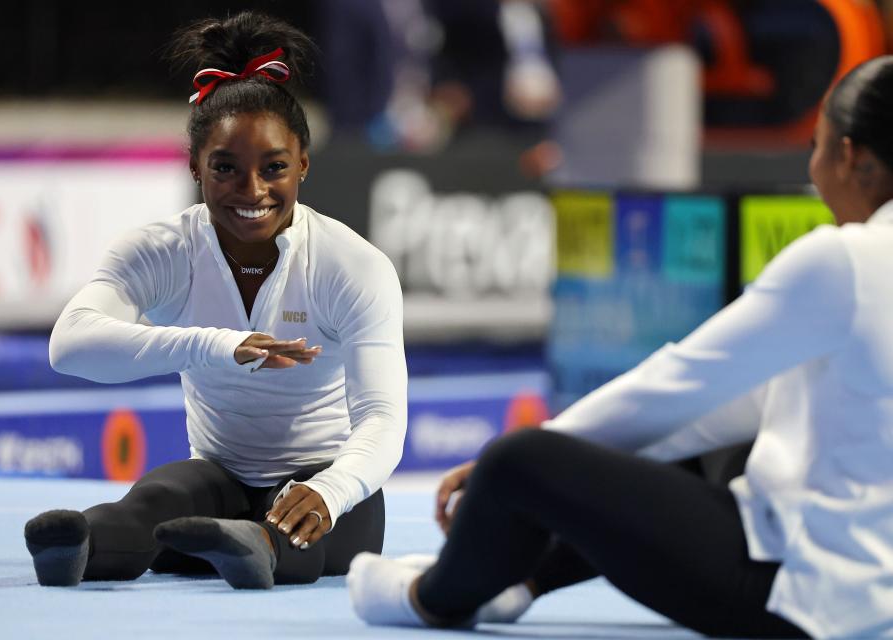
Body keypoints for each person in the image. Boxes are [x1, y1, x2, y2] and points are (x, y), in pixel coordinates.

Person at [348, 55, 893, 638]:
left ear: (852, 156)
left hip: (802, 594)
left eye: (818, 146)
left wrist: (501, 465)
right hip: (873, 592)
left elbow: (684, 381)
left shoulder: (843, 259)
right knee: (668, 442)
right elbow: (732, 407)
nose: (813, 168)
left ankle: (429, 597)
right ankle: (520, 582)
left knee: (520, 461)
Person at [23, 11, 407, 590]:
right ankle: (80, 540)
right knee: (155, 499)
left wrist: (331, 490)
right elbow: (69, 346)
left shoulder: (353, 265)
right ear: (195, 167)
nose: (251, 191)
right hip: (218, 477)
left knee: (306, 530)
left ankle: (257, 546)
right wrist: (219, 346)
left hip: (321, 479)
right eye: (225, 168)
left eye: (274, 168)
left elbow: (382, 419)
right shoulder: (163, 251)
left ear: (303, 163)